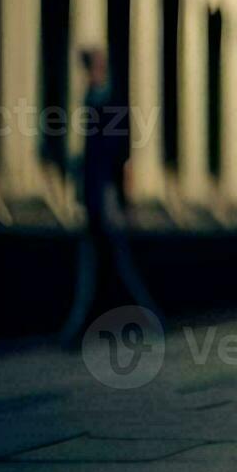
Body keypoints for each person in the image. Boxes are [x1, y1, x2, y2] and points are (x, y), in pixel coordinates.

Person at [59, 48, 160, 348]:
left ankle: (83, 329)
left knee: (108, 265)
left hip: (102, 195)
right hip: (98, 195)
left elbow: (113, 156)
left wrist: (114, 198)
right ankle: (92, 327)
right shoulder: (97, 99)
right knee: (107, 264)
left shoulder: (104, 102)